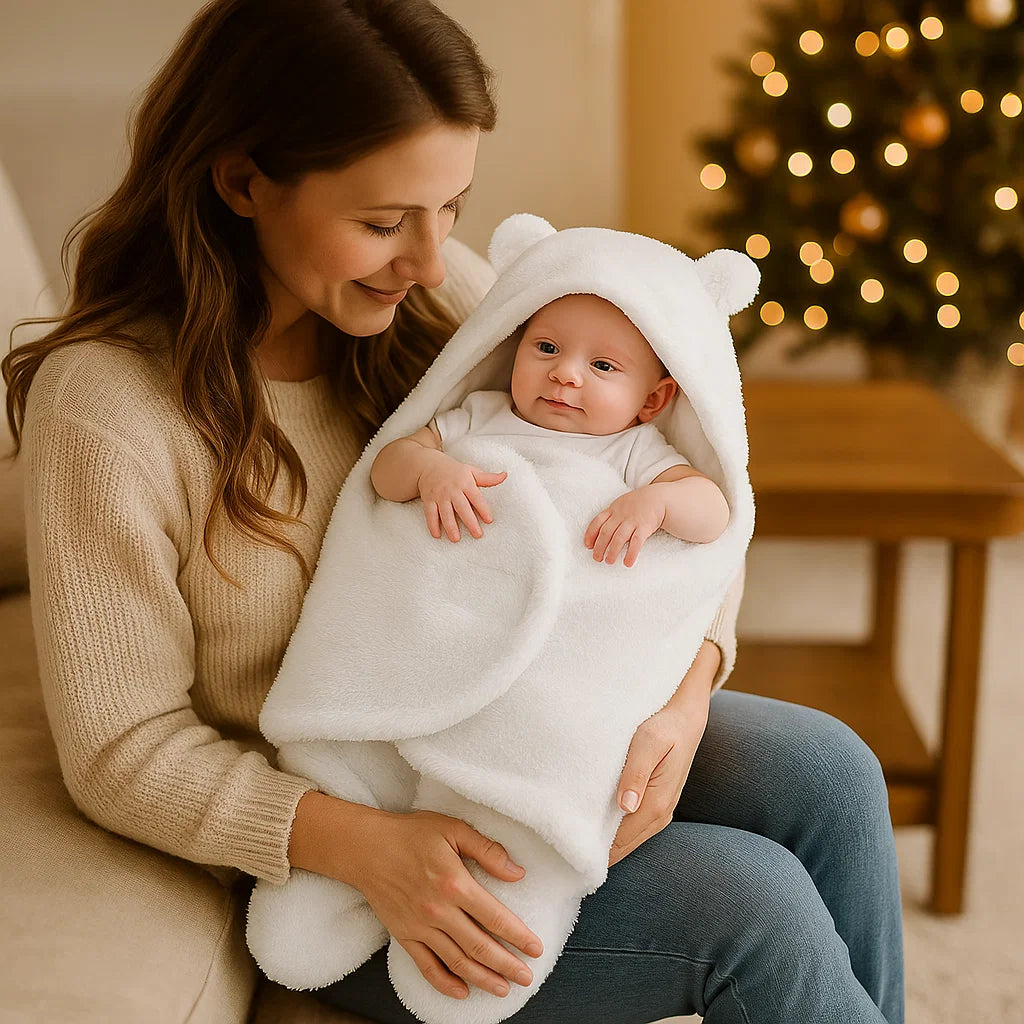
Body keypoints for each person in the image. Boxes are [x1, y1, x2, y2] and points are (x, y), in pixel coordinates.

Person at [0, 1, 905, 1021]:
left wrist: (685, 691)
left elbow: (696, 467)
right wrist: (368, 848)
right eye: (383, 223)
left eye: (452, 209)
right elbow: (123, 749)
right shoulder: (110, 412)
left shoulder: (445, 314)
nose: (430, 261)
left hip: (529, 725)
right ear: (244, 180)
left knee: (830, 772)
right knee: (757, 907)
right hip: (344, 846)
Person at [370, 292, 731, 559]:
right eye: (547, 347)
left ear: (652, 400)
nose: (564, 373)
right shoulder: (481, 412)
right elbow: (385, 470)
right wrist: (429, 469)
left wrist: (658, 503)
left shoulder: (633, 448)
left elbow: (714, 512)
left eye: (603, 366)